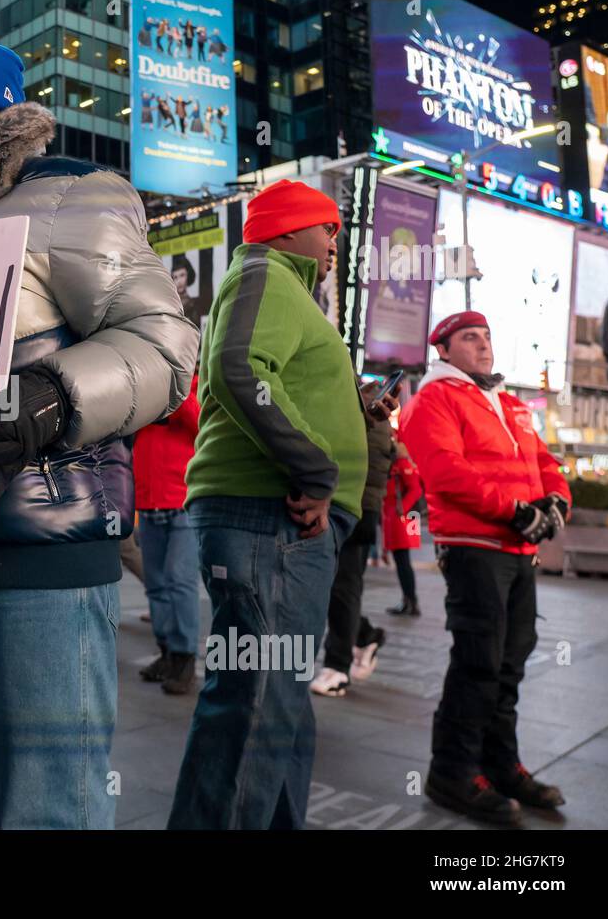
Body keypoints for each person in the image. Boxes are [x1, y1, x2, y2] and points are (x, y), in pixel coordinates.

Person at [0, 37, 197, 829]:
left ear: (4, 105)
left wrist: (56, 395)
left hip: (38, 545)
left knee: (49, 798)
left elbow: (164, 344)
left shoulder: (74, 196)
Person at [166, 179, 372, 830]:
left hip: (277, 522)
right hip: (270, 516)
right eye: (328, 227)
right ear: (286, 230)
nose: (336, 240)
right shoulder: (266, 273)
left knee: (274, 703)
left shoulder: (283, 285)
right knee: (258, 706)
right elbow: (238, 367)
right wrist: (314, 471)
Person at [401, 311, 570, 827]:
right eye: (468, 338)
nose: (482, 344)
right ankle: (452, 773)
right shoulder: (434, 398)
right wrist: (516, 510)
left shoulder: (511, 403)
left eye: (486, 336)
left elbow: (544, 462)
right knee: (478, 662)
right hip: (474, 546)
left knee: (510, 662)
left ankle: (499, 766)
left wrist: (558, 501)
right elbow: (448, 472)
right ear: (444, 350)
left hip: (517, 550)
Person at [312, 406, 395, 697]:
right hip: (350, 504)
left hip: (354, 506)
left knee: (342, 587)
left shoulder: (364, 404)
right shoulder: (362, 401)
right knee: (328, 586)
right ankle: (364, 634)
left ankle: (338, 666)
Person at [135, 371, 202, 695]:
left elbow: (200, 423)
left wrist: (175, 389)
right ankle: (167, 653)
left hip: (182, 504)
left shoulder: (194, 388)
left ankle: (185, 656)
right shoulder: (149, 390)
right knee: (158, 585)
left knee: (179, 582)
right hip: (149, 503)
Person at [383, 437, 423, 616]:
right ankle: (408, 600)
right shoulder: (397, 462)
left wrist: (402, 508)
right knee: (401, 561)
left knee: (403, 560)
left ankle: (411, 601)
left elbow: (415, 489)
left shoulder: (402, 463)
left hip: (402, 517)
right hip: (397, 516)